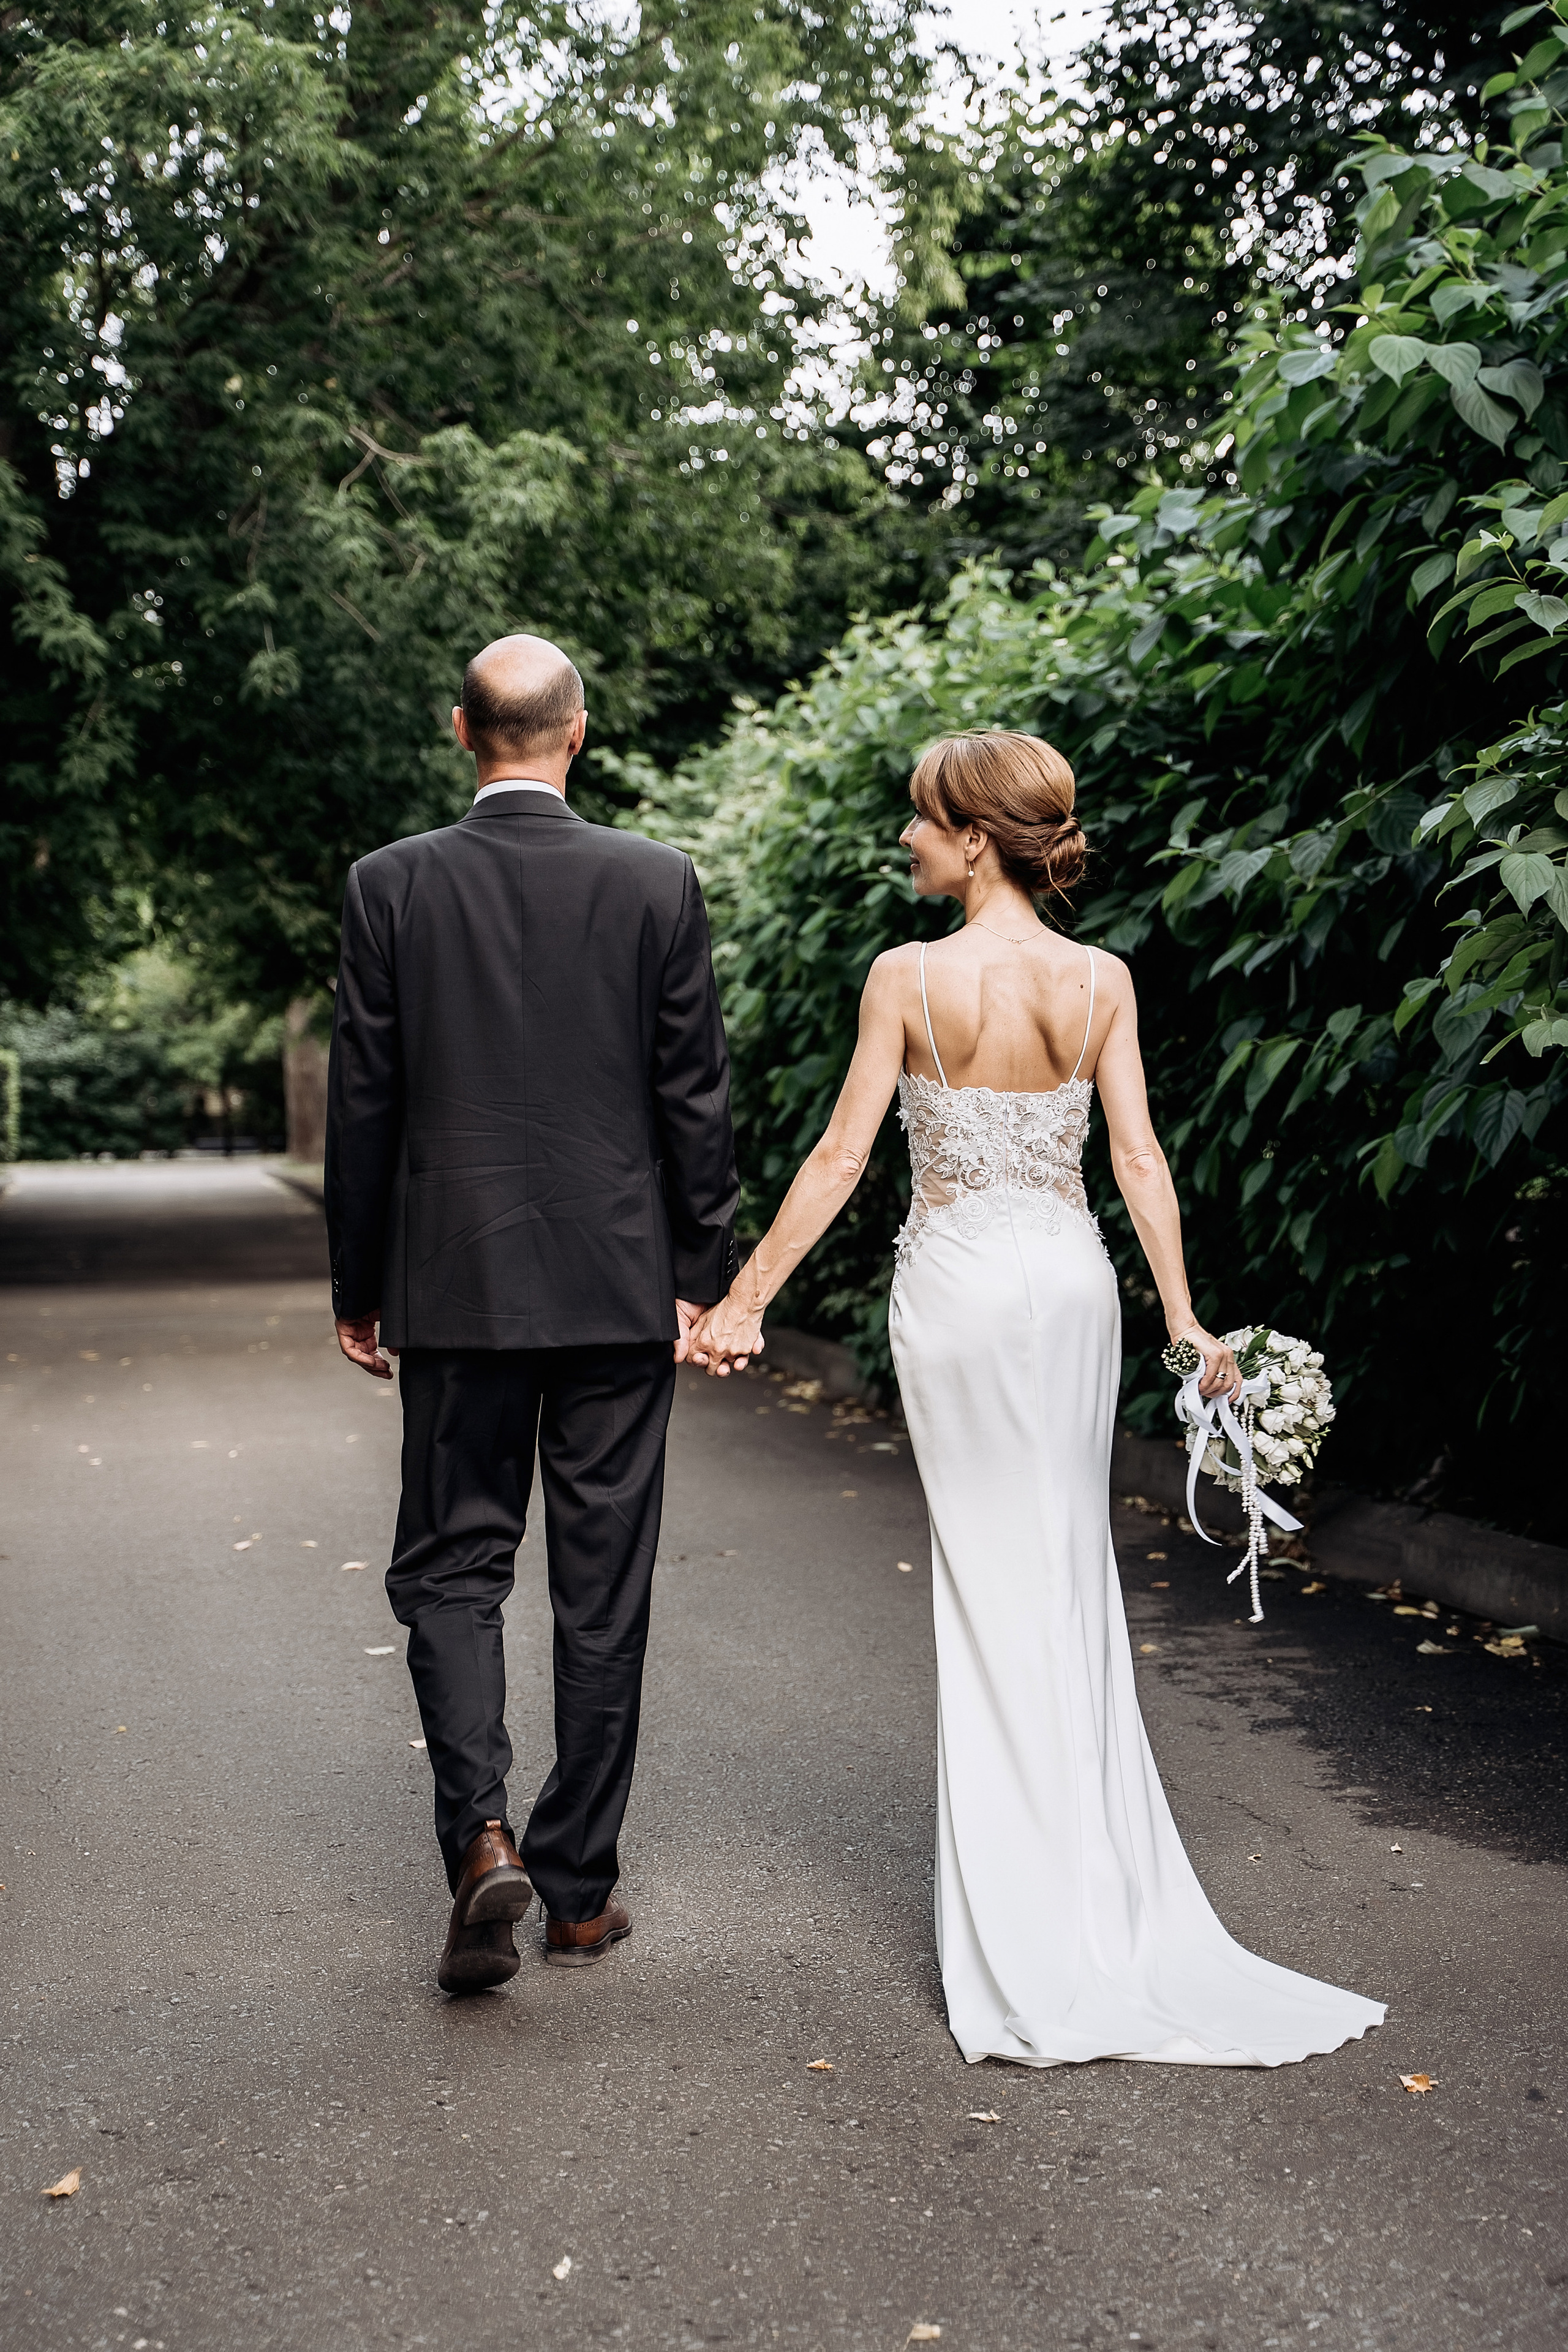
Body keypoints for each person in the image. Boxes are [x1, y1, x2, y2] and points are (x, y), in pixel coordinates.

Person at [691, 731, 1384, 2068]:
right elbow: (1137, 1155)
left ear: (972, 837)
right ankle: (1094, 1900)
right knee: (1064, 1571)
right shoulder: (1100, 978)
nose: (905, 838)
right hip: (1069, 1284)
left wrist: (746, 1299)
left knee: (987, 1582)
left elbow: (842, 1155)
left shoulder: (905, 976)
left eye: (919, 819)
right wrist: (1181, 1320)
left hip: (956, 1285)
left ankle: (1027, 1932)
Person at [325, 634, 739, 1994]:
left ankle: (480, 1840)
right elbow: (694, 1095)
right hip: (618, 1288)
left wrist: (360, 1286)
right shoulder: (656, 880)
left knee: (454, 1568)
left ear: (462, 731)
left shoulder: (389, 884)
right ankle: (576, 1891)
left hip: (456, 1289)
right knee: (602, 1589)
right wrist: (700, 1270)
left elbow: (364, 1100)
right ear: (579, 732)